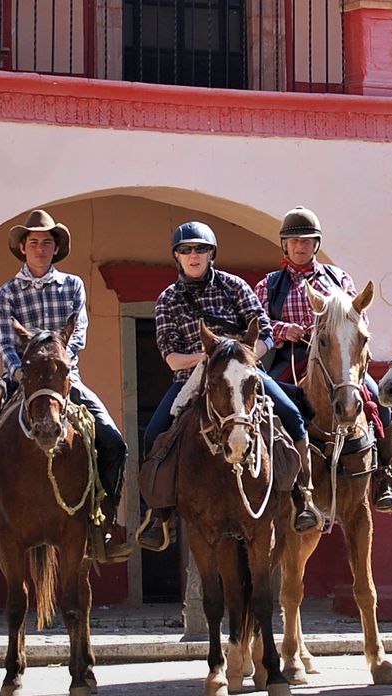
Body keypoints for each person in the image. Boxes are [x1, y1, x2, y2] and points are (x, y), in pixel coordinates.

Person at [0, 210, 134, 563]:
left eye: (47, 242)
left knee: (114, 441)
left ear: (55, 248)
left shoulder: (73, 285)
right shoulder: (8, 292)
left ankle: (104, 523)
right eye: (33, 242)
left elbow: (79, 334)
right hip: (19, 379)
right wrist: (20, 372)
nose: (40, 248)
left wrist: (57, 363)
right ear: (22, 248)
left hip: (64, 379)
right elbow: (3, 342)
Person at [137, 221, 321, 550]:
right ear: (177, 257)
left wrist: (244, 358)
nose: (193, 255)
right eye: (186, 250)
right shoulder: (167, 299)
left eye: (201, 249)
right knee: (154, 432)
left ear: (211, 254)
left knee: (293, 415)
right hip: (192, 376)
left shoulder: (234, 286)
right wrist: (210, 357)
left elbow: (264, 332)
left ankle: (302, 498)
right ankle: (159, 514)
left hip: (242, 371)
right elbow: (171, 357)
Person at [255, 206, 392, 512]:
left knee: (377, 398)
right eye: (294, 242)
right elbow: (259, 324)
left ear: (316, 245)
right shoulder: (269, 284)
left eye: (307, 241)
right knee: (269, 406)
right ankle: (272, 478)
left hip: (336, 358)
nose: (300, 246)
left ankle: (385, 474)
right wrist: (285, 329)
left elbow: (357, 318)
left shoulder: (338, 278)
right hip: (290, 357)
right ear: (284, 245)